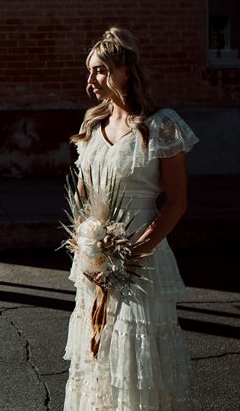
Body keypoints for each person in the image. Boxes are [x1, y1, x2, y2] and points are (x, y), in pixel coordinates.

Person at [63, 26, 198, 410]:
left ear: (125, 70)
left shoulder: (161, 126)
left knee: (137, 358)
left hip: (141, 258)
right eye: (90, 71)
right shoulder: (92, 129)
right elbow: (82, 197)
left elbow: (177, 202)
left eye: (101, 70)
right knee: (100, 353)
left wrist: (130, 256)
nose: (91, 80)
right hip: (96, 261)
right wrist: (85, 242)